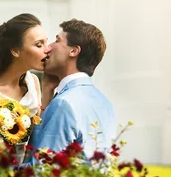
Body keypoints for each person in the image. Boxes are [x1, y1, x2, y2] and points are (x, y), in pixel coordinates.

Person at [26, 19, 116, 163]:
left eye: (56, 41)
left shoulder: (65, 103)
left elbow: (42, 169)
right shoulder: (105, 103)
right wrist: (47, 90)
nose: (48, 48)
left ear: (73, 51)